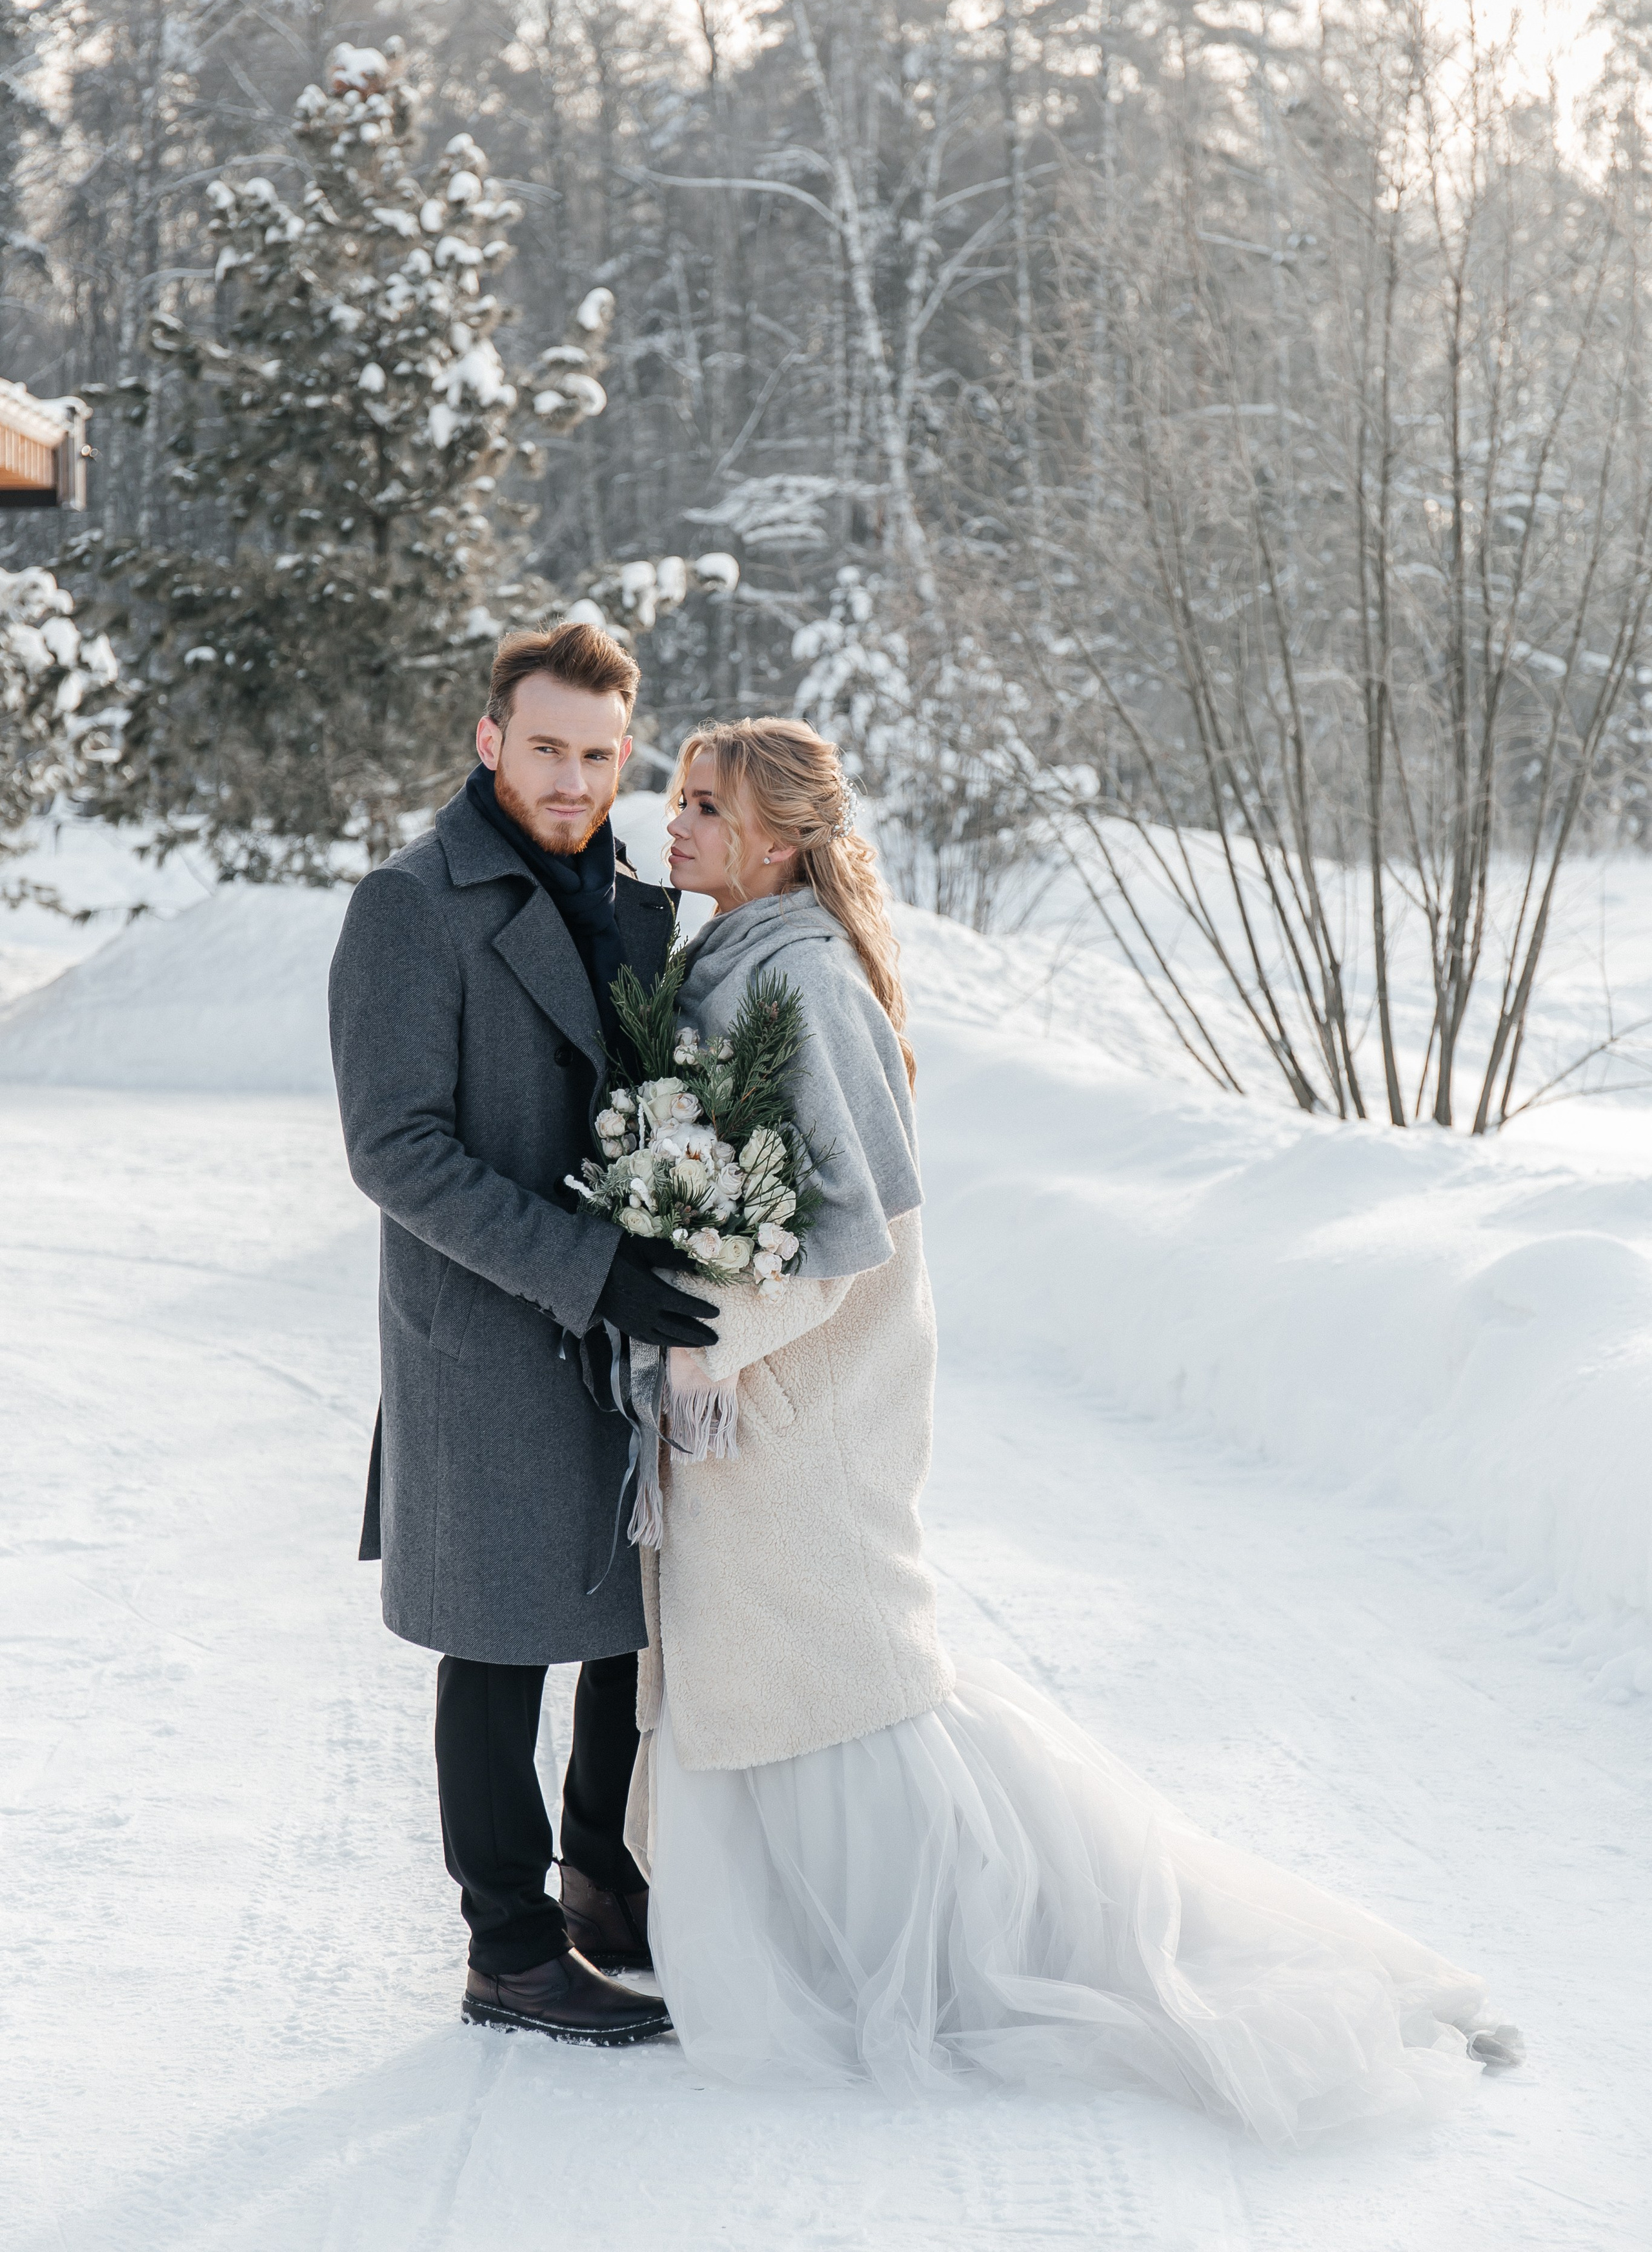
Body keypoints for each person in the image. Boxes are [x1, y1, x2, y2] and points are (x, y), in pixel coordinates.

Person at [625, 715, 1523, 2142]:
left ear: (779, 840)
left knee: (845, 1696)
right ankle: (816, 1950)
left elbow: (843, 1243)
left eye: (700, 804)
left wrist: (698, 1344)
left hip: (796, 1422)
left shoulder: (803, 982)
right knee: (781, 1689)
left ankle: (982, 1957)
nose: (666, 821)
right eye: (672, 794)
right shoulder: (726, 958)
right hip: (741, 1416)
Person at [328, 622, 719, 2047]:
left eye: (600, 755)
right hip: (489, 1328)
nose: (573, 777)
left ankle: (602, 1881)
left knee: (623, 1621)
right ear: (490, 739)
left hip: (622, 1327)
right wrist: (587, 1267)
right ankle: (507, 1945)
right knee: (498, 1645)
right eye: (546, 747)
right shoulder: (410, 904)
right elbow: (395, 1151)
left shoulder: (636, 897)